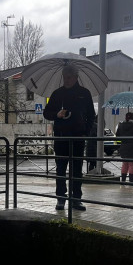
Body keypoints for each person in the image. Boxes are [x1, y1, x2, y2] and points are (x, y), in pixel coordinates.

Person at [42, 64, 96, 211]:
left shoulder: (84, 93)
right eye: (65, 77)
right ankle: (61, 198)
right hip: (61, 137)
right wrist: (56, 114)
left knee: (77, 170)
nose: (66, 80)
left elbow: (91, 115)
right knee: (60, 169)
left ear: (76, 77)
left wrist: (86, 131)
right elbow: (46, 113)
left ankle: (76, 199)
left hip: (78, 137)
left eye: (69, 77)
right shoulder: (57, 94)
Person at [115, 112, 133, 185]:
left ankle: (123, 180)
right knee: (132, 165)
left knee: (125, 164)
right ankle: (131, 181)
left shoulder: (121, 125)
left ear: (125, 117)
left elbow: (117, 135)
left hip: (124, 147)